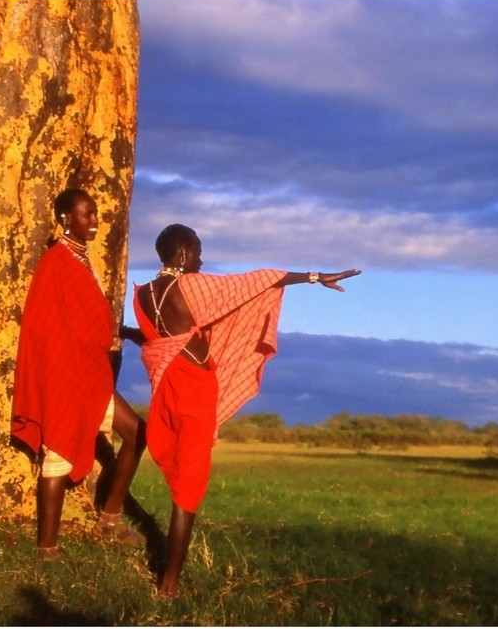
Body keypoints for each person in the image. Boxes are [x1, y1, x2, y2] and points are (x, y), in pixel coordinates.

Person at [126, 223, 360, 596]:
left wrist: (124, 332)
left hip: (167, 391)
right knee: (189, 489)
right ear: (183, 253)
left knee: (184, 476)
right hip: (195, 392)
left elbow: (161, 340)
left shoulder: (142, 296)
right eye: (198, 252)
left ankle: (167, 573)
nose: (201, 261)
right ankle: (169, 585)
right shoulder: (191, 286)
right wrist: (315, 277)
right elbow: (259, 280)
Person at [11, 188, 146, 561]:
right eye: (86, 214)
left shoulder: (81, 260)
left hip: (92, 374)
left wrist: (127, 332)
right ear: (66, 218)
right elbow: (45, 326)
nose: (94, 221)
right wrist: (61, 370)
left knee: (137, 433)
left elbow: (90, 318)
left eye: (96, 214)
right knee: (57, 451)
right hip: (64, 372)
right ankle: (47, 549)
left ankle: (109, 518)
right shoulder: (56, 262)